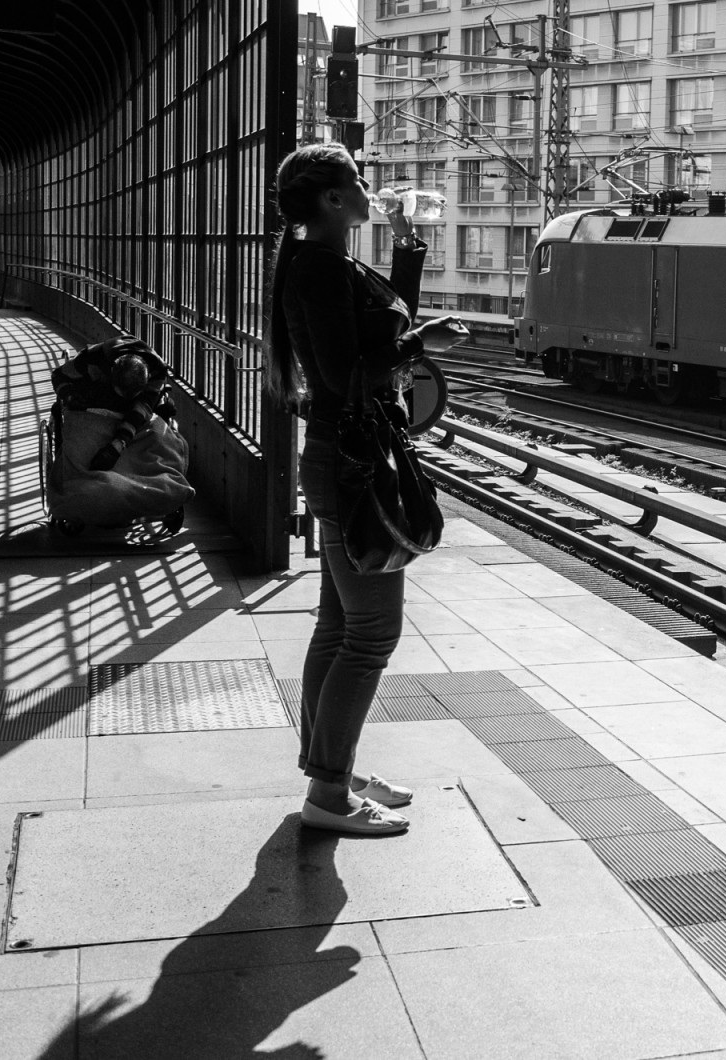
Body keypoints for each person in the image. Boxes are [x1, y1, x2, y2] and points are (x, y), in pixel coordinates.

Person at [262, 142, 465, 836]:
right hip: (350, 461)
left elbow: (383, 319)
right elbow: (348, 370)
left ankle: (333, 769)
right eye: (356, 180)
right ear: (330, 198)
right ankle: (328, 795)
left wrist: (408, 253)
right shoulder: (317, 270)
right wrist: (422, 343)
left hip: (344, 454)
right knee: (373, 633)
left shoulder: (330, 260)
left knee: (340, 623)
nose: (367, 188)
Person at [50, 336, 176, 471]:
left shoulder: (158, 370)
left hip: (135, 402)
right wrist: (72, 398)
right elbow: (58, 376)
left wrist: (118, 444)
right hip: (97, 396)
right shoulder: (92, 358)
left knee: (164, 411)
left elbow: (142, 407)